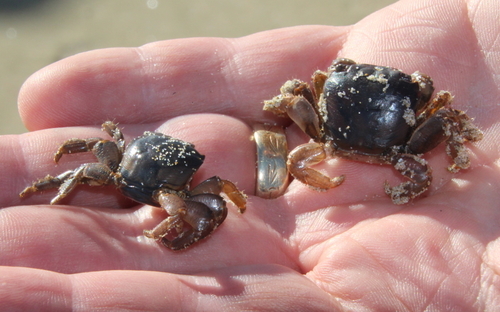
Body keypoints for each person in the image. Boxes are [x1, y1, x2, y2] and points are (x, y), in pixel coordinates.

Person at [1, 0, 498, 310]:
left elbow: (282, 115)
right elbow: (282, 112)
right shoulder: (340, 115)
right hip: (363, 144)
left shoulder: (321, 103)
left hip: (341, 142)